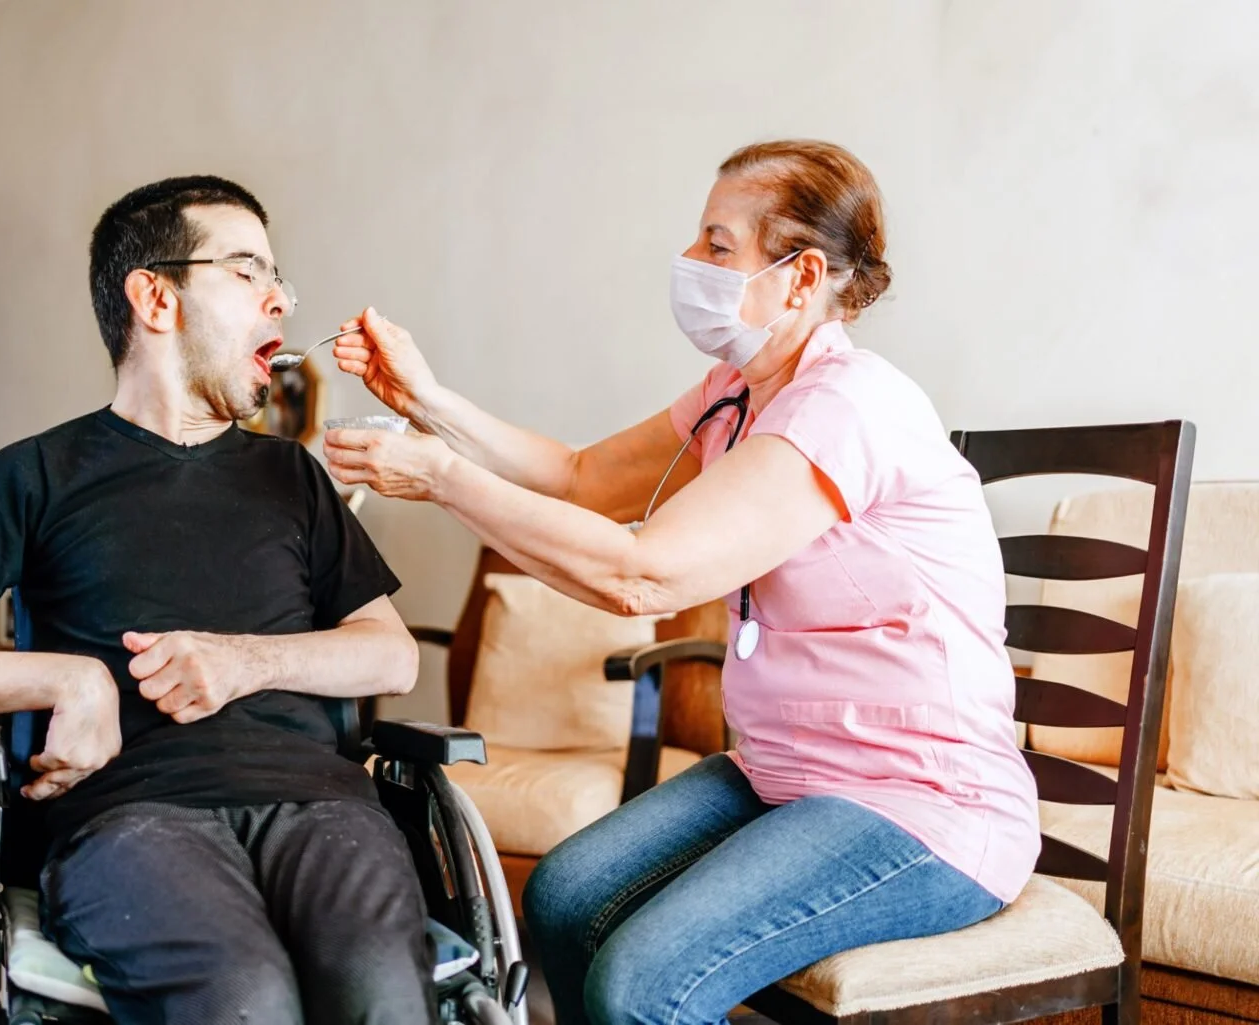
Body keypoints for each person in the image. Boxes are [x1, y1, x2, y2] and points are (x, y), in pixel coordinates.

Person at [323, 139, 1040, 1025]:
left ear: (801, 274)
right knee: (564, 896)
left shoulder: (848, 406)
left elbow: (642, 574)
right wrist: (424, 397)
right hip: (790, 774)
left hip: (924, 803)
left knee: (642, 983)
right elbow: (584, 475)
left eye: (718, 245)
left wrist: (440, 478)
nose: (690, 263)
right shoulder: (736, 391)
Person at [0, 176, 437, 1025]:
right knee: (244, 997)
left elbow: (392, 653)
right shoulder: (37, 473)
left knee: (381, 992)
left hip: (323, 806)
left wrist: (243, 662)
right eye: (246, 271)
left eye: (280, 279)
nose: (281, 299)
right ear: (155, 296)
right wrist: (71, 680)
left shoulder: (292, 476)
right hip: (128, 816)